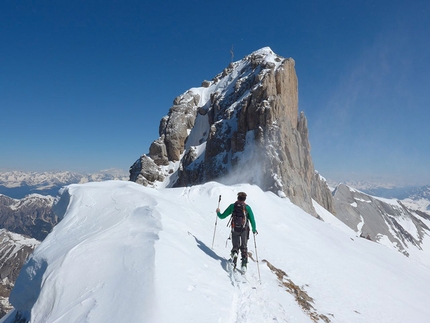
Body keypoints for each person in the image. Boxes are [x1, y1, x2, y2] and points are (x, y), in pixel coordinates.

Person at [216, 192, 257, 270]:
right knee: (244, 246)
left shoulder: (233, 206)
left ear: (237, 198)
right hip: (245, 230)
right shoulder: (247, 208)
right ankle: (244, 265)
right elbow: (252, 219)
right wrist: (254, 229)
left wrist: (218, 212)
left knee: (235, 245)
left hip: (235, 228)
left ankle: (234, 255)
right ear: (245, 199)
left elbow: (222, 216)